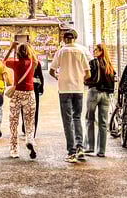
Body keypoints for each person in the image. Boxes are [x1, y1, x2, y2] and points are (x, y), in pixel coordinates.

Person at [49, 29, 91, 163]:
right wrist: (80, 79)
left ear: (64, 39)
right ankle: (80, 148)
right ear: (75, 38)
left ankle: (71, 152)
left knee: (67, 121)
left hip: (64, 89)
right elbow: (88, 73)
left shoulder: (60, 52)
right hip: (78, 89)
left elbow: (51, 70)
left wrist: (58, 77)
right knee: (77, 117)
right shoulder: (80, 51)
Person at [3, 41, 39, 159]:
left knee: (14, 122)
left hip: (16, 94)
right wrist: (29, 48)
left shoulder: (15, 63)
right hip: (30, 93)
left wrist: (11, 48)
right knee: (29, 121)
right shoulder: (33, 63)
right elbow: (34, 57)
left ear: (18, 53)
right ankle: (30, 140)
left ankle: (14, 149)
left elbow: (3, 62)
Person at [84, 43, 116, 157]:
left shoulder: (94, 62)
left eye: (96, 50)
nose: (94, 52)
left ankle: (89, 147)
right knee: (103, 123)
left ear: (101, 51)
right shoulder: (109, 64)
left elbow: (88, 76)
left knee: (89, 119)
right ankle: (101, 150)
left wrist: (84, 81)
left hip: (94, 92)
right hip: (106, 95)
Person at [21, 59, 44, 139]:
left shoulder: (21, 62)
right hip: (34, 87)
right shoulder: (36, 62)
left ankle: (25, 128)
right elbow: (41, 76)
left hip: (23, 87)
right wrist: (41, 88)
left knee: (24, 108)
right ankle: (33, 131)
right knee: (35, 110)